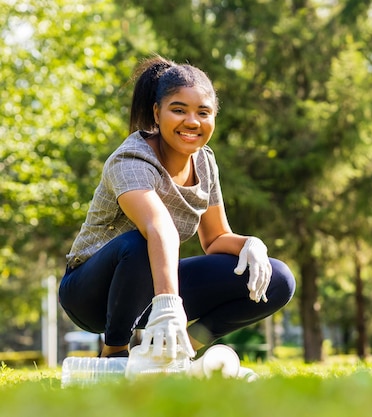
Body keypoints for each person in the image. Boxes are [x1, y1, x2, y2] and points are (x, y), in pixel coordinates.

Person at [59, 56, 296, 362]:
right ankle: (115, 351)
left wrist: (251, 244)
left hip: (155, 288)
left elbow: (214, 239)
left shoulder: (205, 162)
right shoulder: (131, 160)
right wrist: (170, 304)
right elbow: (159, 227)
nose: (192, 121)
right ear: (157, 114)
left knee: (278, 279)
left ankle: (179, 348)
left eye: (203, 112)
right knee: (139, 241)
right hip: (90, 295)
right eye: (179, 110)